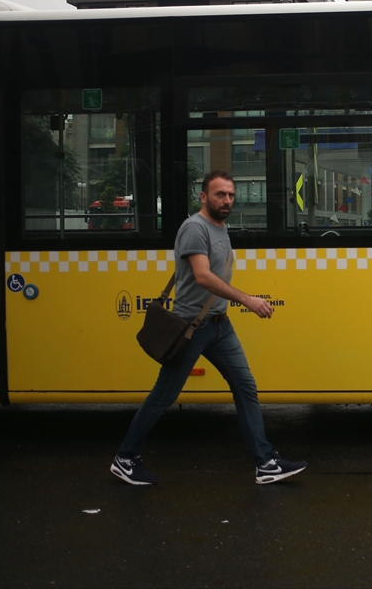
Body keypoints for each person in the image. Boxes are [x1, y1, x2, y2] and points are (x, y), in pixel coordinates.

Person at [111, 170, 307, 486]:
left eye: (230, 194)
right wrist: (247, 299)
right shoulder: (195, 229)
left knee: (245, 387)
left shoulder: (220, 227)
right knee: (164, 396)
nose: (227, 200)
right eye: (220, 194)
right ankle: (125, 458)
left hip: (219, 326)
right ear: (203, 197)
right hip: (191, 328)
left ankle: (266, 463)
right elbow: (202, 276)